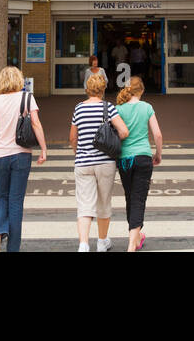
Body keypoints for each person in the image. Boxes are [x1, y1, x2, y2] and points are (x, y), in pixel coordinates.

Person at [0, 66, 47, 252]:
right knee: (16, 201)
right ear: (19, 80)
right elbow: (36, 124)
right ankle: (13, 248)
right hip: (21, 154)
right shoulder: (27, 98)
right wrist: (44, 149)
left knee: (2, 197)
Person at [70, 70, 129, 252]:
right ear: (103, 89)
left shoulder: (78, 108)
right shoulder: (108, 108)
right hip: (105, 163)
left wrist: (78, 152)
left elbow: (73, 137)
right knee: (104, 202)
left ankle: (84, 244)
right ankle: (102, 242)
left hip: (83, 162)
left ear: (87, 89)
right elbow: (124, 131)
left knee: (84, 205)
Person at [115, 76, 162, 251]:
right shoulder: (147, 107)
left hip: (125, 159)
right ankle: (131, 244)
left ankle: (135, 237)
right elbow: (157, 134)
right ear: (141, 91)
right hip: (143, 157)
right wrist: (158, 154)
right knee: (138, 199)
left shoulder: (118, 109)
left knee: (130, 197)